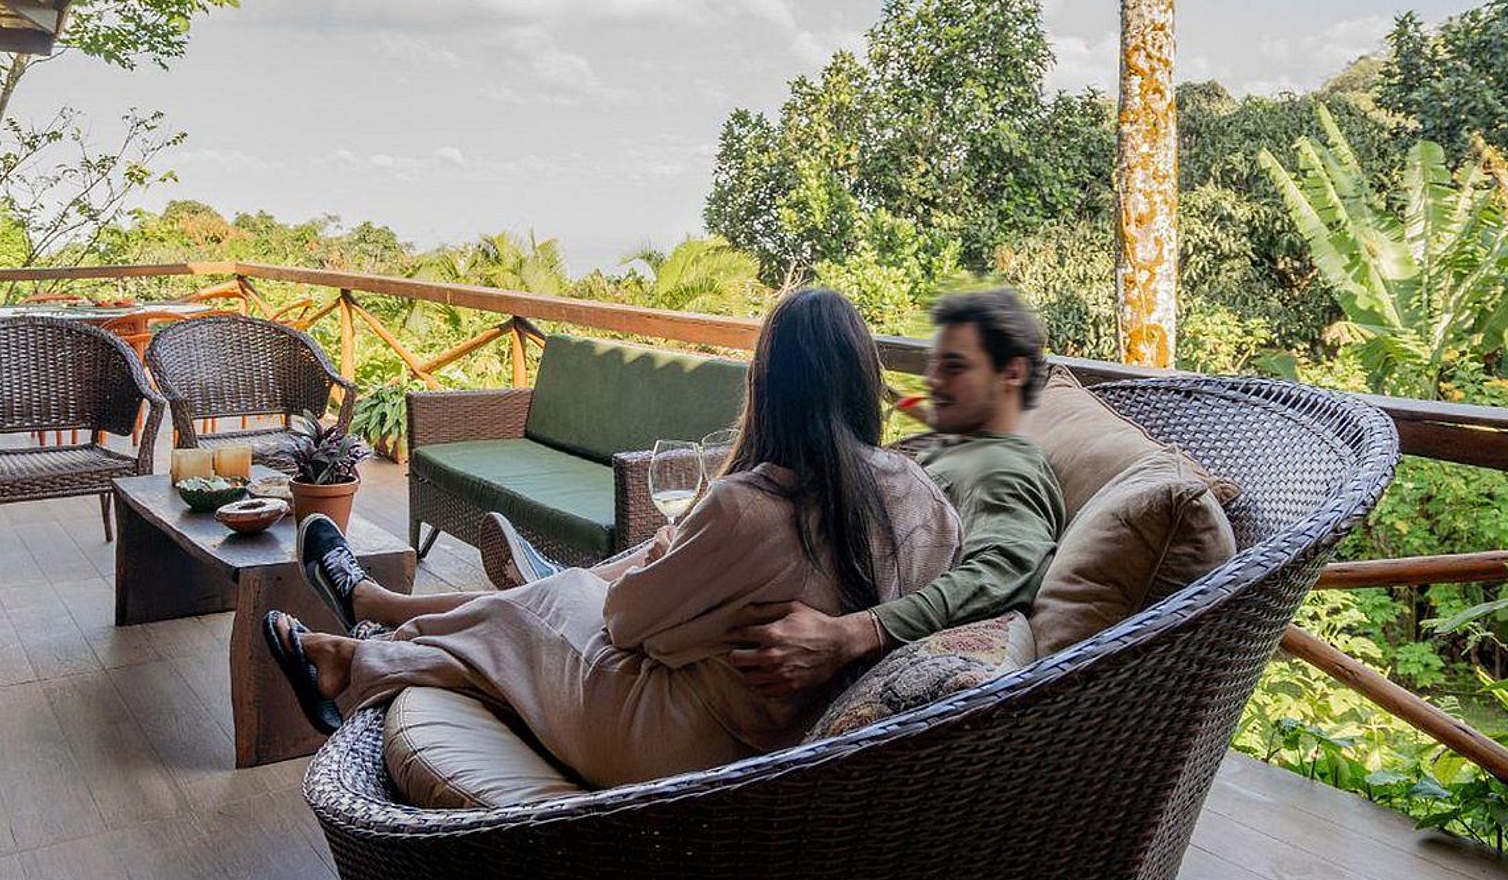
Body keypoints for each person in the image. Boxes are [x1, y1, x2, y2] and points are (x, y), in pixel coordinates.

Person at [261, 287, 962, 791]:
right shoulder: (919, 494)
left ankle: (373, 633)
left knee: (552, 600)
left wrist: (658, 564)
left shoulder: (751, 507)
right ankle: (365, 638)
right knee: (564, 594)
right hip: (783, 745)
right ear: (863, 379)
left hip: (685, 749)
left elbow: (625, 625)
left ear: (768, 386)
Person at [725, 286, 1063, 706]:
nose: (933, 381)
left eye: (954, 367)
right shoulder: (950, 453)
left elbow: (1003, 569)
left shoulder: (1001, 463)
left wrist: (850, 634)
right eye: (934, 365)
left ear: (1012, 373)